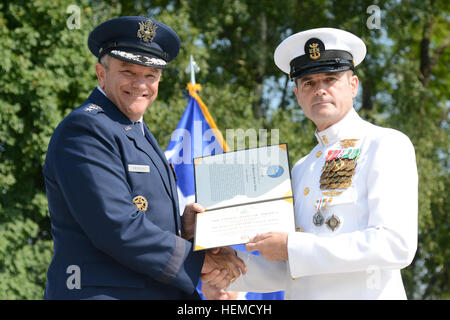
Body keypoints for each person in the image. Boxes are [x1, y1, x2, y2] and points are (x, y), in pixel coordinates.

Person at [202, 27, 418, 300]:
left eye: (330, 79)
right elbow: (290, 269)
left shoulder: (384, 144)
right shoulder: (303, 167)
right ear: (297, 94)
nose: (320, 90)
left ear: (353, 86)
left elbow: (395, 245)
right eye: (309, 83)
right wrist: (232, 265)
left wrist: (293, 246)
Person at [43, 16, 245, 300]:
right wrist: (200, 262)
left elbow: (141, 213)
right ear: (101, 74)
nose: (141, 84)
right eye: (128, 71)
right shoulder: (85, 129)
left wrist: (183, 228)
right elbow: (116, 225)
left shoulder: (134, 130)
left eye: (151, 75)